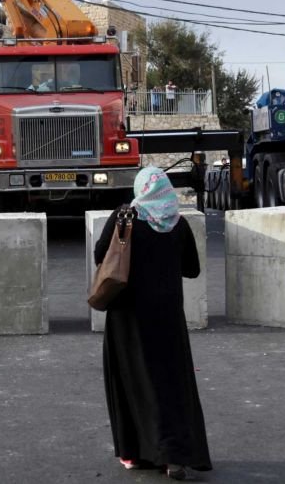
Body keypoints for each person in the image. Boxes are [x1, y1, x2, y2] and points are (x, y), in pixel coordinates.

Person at [94, 166, 212, 480]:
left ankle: (133, 454)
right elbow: (192, 270)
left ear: (140, 189)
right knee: (170, 385)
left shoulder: (124, 217)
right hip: (168, 318)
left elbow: (99, 256)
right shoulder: (179, 224)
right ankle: (173, 456)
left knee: (129, 381)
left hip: (127, 317)